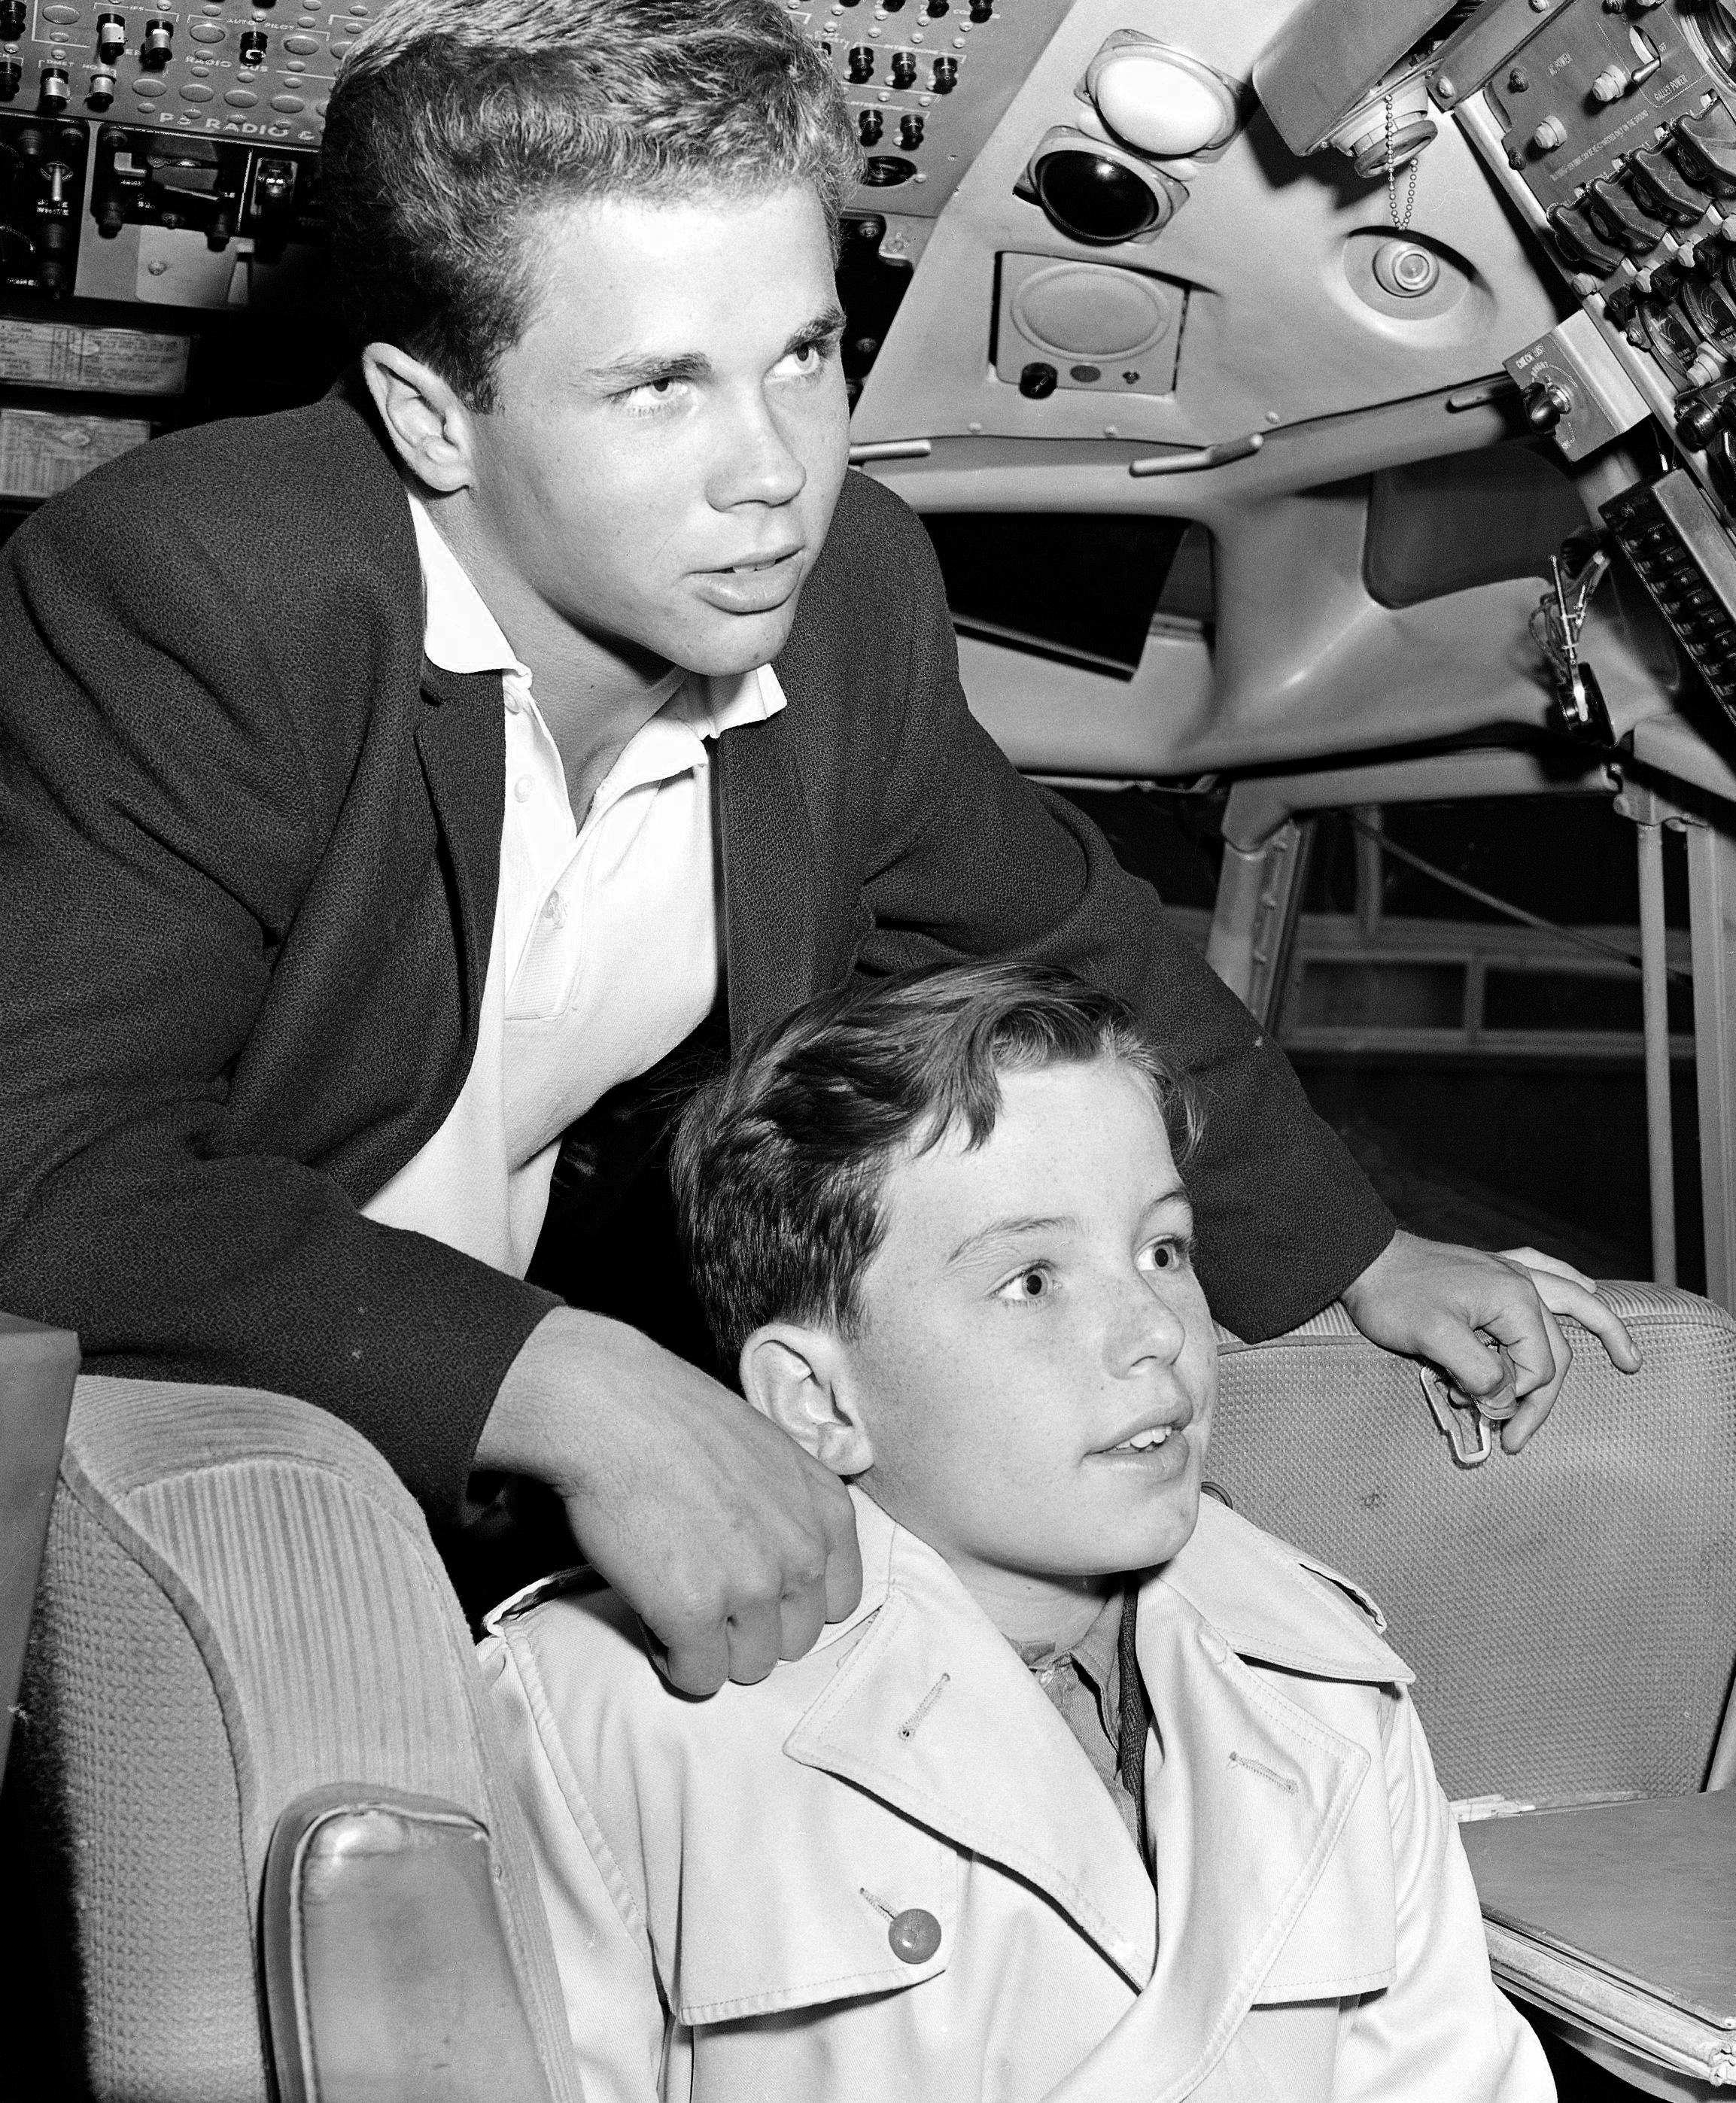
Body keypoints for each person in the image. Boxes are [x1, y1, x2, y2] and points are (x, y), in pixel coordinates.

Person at [0, 0, 1634, 1692]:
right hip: (183, 1434)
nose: (773, 471)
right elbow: (45, 1170)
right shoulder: (200, 593)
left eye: (802, 354)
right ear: (431, 418)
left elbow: (1068, 944)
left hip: (486, 1435)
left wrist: (1355, 1254)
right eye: (658, 390)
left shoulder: (845, 589)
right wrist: (573, 1389)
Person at [480, 961, 1557, 2102]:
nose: (1154, 1330)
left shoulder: (1330, 1685)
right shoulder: (599, 1722)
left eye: (1165, 1250)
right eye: (1033, 1281)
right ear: (818, 1399)